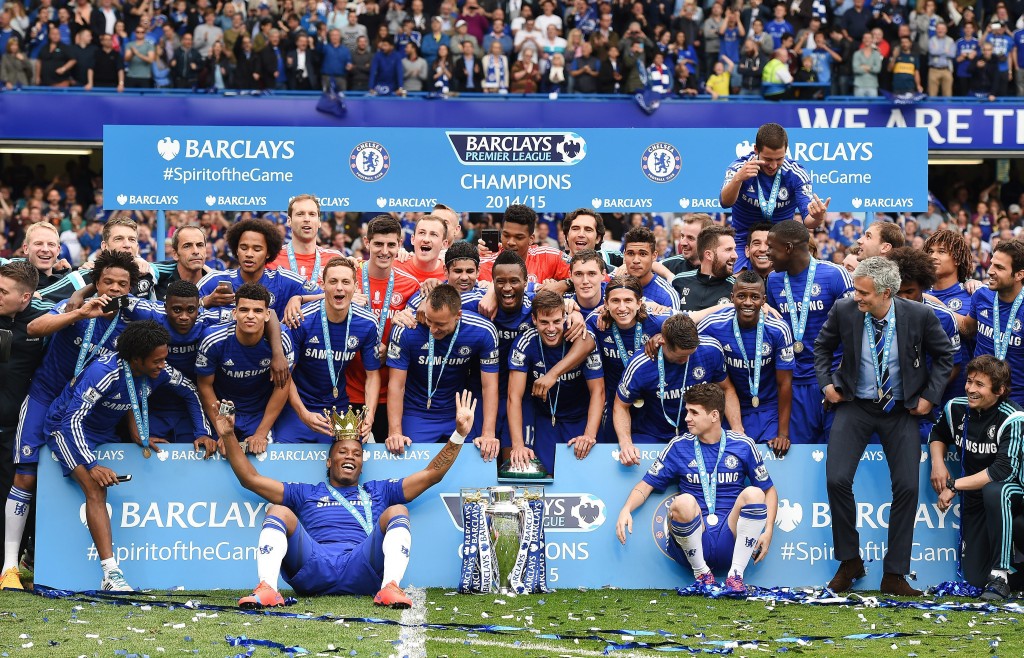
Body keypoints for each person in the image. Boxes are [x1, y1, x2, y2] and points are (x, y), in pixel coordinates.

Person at [226, 386, 477, 609]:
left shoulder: (379, 491)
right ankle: (267, 588)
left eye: (357, 454)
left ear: (362, 464)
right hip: (315, 566)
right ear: (329, 461)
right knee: (278, 510)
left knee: (398, 510)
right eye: (343, 452)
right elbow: (250, 479)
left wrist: (459, 434)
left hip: (362, 567)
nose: (350, 456)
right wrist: (228, 435)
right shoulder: (307, 492)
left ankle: (390, 586)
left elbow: (431, 475)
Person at [815, 257, 954, 596]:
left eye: (863, 293)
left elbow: (944, 357)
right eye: (856, 291)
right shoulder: (845, 309)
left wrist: (929, 397)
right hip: (856, 405)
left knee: (907, 488)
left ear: (885, 293)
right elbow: (822, 348)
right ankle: (850, 562)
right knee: (836, 479)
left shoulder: (919, 315)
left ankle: (894, 574)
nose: (857, 297)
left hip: (901, 410)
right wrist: (826, 384)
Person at [45, 321, 213, 592]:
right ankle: (110, 575)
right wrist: (91, 464)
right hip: (65, 429)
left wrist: (201, 432)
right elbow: (71, 420)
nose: (163, 365)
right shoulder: (104, 372)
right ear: (136, 359)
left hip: (105, 432)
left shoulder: (158, 370)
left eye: (164, 358)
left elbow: (190, 391)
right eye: (157, 361)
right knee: (96, 489)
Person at [615, 383, 778, 592]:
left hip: (731, 536)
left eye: (694, 412)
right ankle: (702, 575)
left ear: (714, 415)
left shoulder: (743, 444)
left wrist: (769, 530)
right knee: (684, 501)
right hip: (693, 540)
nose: (687, 418)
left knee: (754, 493)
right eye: (687, 411)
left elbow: (769, 490)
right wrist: (626, 509)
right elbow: (645, 485)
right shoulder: (678, 445)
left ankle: (736, 576)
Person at [929, 355, 1024, 598]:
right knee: (975, 578)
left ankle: (1000, 576)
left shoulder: (1014, 417)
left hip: (1016, 497)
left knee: (996, 490)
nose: (971, 389)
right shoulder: (955, 408)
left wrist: (954, 485)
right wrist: (938, 463)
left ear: (999, 390)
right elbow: (938, 434)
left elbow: (1001, 471)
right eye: (969, 381)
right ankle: (1010, 576)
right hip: (976, 500)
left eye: (979, 384)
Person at [386, 284, 499, 458]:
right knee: (410, 466)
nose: (433, 329)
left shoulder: (482, 331)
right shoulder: (406, 328)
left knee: (474, 461)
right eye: (429, 320)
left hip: (459, 413)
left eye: (440, 324)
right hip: (417, 412)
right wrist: (395, 432)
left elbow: (489, 386)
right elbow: (396, 385)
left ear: (458, 316)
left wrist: (488, 434)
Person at [765, 220, 853, 444]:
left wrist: (839, 382)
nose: (767, 253)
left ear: (788, 248)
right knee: (800, 455)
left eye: (771, 247)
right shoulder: (773, 280)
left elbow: (856, 334)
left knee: (837, 455)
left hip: (832, 381)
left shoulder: (835, 275)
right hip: (793, 385)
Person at [614, 314, 743, 464]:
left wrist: (737, 429)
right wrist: (626, 443)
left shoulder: (710, 350)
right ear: (662, 342)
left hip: (700, 430)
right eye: (680, 356)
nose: (686, 360)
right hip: (655, 433)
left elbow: (726, 389)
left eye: (690, 354)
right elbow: (621, 405)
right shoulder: (641, 365)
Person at [277, 258, 381, 443]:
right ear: (323, 285)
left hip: (338, 407)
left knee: (348, 456)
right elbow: (286, 375)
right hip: (297, 407)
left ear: (356, 287)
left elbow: (372, 376)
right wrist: (303, 413)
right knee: (286, 456)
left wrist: (370, 415)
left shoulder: (367, 323)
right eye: (333, 281)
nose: (339, 288)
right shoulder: (301, 320)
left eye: (346, 282)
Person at [507, 290, 604, 475]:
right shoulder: (525, 343)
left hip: (579, 415)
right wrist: (518, 445)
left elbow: (598, 391)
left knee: (583, 473)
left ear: (564, 318)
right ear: (534, 320)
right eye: (544, 322)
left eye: (556, 322)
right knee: (542, 472)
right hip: (544, 417)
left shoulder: (579, 335)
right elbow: (514, 397)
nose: (551, 329)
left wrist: (589, 435)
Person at [697, 270, 794, 452]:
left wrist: (783, 433)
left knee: (771, 459)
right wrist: (659, 338)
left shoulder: (779, 329)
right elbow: (686, 341)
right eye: (741, 296)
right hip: (727, 410)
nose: (748, 302)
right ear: (732, 297)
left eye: (754, 297)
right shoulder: (712, 325)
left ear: (764, 300)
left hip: (767, 410)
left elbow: (785, 383)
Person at [196, 283, 295, 453]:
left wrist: (261, 433)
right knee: (219, 454)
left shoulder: (283, 339)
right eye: (244, 310)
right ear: (234, 313)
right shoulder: (213, 339)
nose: (250, 316)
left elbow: (282, 386)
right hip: (224, 409)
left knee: (263, 455)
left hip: (260, 413)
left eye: (257, 311)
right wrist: (222, 430)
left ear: (267, 315)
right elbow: (205, 385)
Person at [347, 216, 420, 442]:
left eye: (391, 244)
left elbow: (419, 336)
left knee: (390, 454)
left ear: (400, 244)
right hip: (349, 390)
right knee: (349, 455)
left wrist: (392, 346)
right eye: (378, 244)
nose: (385, 251)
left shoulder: (410, 285)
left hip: (393, 395)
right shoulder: (347, 279)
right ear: (366, 242)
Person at [720, 123, 829, 272]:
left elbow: (809, 221)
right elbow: (725, 202)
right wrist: (738, 179)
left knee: (786, 281)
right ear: (756, 150)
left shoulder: (796, 174)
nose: (773, 165)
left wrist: (818, 217)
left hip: (782, 243)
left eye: (779, 159)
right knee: (738, 281)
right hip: (742, 241)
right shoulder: (740, 168)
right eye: (768, 159)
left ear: (786, 151)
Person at [0, 263, 49, 591]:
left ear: (25, 297)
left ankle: (11, 567)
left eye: (3, 292)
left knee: (11, 497)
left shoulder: (41, 325)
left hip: (14, 430)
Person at [887, 247, 963, 441]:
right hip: (886, 404)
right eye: (898, 292)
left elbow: (953, 365)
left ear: (923, 286)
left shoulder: (944, 317)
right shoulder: (877, 314)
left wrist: (928, 395)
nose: (903, 298)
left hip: (924, 408)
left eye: (909, 291)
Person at [586, 274, 669, 442]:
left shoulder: (657, 321)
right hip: (615, 404)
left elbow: (693, 320)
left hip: (652, 407)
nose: (622, 307)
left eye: (628, 301)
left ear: (639, 303)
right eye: (615, 301)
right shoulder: (596, 324)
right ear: (606, 303)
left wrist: (664, 335)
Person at [198, 218, 322, 324]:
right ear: (236, 250)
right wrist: (205, 301)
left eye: (257, 249)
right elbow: (186, 309)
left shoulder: (282, 280)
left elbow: (327, 297)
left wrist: (299, 298)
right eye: (243, 248)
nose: (249, 254)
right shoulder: (215, 280)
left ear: (268, 253)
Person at [958, 240, 1024, 407]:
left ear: (1019, 275)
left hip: (1016, 402)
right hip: (978, 396)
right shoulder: (981, 295)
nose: (990, 271)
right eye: (991, 264)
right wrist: (932, 304)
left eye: (999, 267)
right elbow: (966, 328)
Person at [478, 204, 570, 284]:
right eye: (506, 235)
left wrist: (564, 285)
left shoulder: (549, 257)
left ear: (531, 239)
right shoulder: (485, 264)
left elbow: (577, 270)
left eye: (519, 237)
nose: (511, 242)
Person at [269, 194, 342, 284]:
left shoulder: (336, 259)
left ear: (319, 222)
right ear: (289, 221)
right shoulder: (271, 258)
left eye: (312, 214)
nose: (307, 219)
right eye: (300, 214)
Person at [673, 225, 737, 312]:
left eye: (734, 249)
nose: (735, 255)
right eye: (728, 250)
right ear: (709, 255)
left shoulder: (736, 288)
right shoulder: (679, 281)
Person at [621, 226, 679, 310]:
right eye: (630, 253)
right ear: (624, 255)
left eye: (643, 254)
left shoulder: (667, 295)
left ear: (654, 256)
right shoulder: (612, 285)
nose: (636, 260)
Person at [150, 225, 212, 301]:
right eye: (187, 246)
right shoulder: (160, 281)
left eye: (200, 245)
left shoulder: (215, 283)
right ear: (175, 254)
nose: (196, 251)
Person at [395, 214, 447, 284]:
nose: (426, 239)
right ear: (413, 239)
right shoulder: (394, 267)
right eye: (422, 233)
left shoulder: (449, 274)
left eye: (433, 234)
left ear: (444, 244)